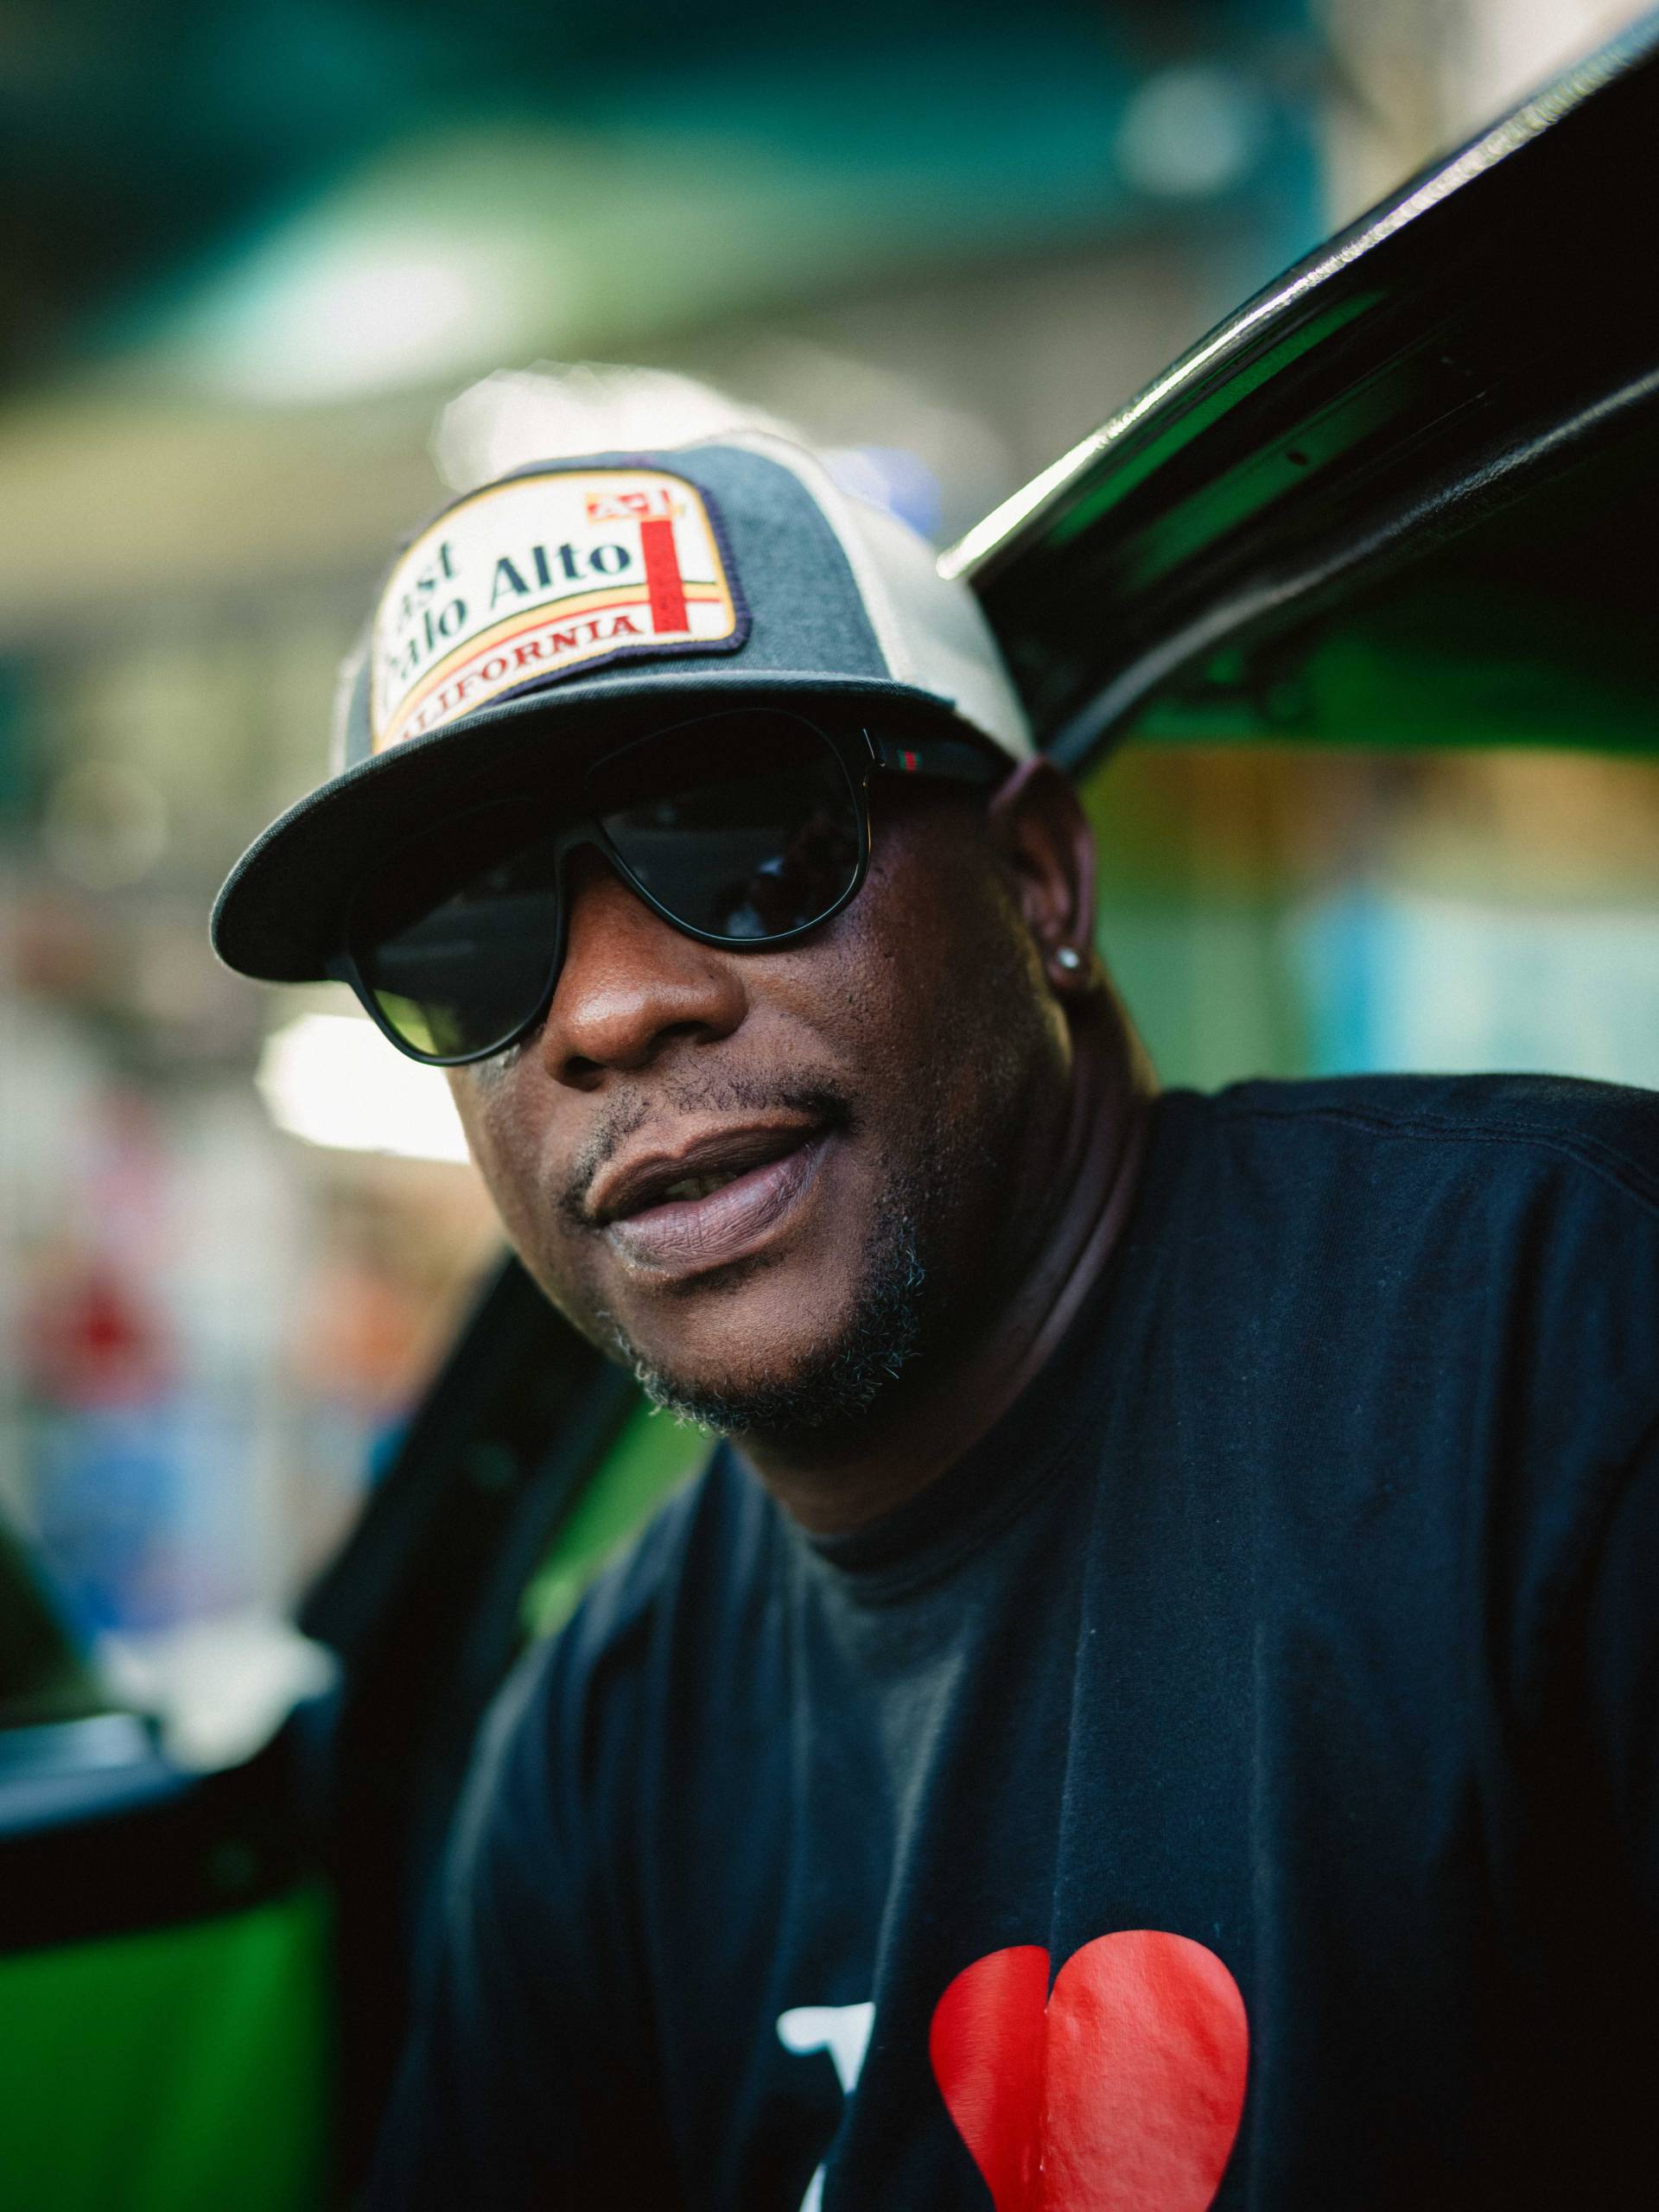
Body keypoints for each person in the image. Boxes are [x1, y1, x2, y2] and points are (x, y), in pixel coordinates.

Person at [213, 433, 1659, 2209]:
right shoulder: (602, 1741)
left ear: (1043, 876)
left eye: (747, 833)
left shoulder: (1568, 1336)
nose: (605, 1006)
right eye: (468, 937)